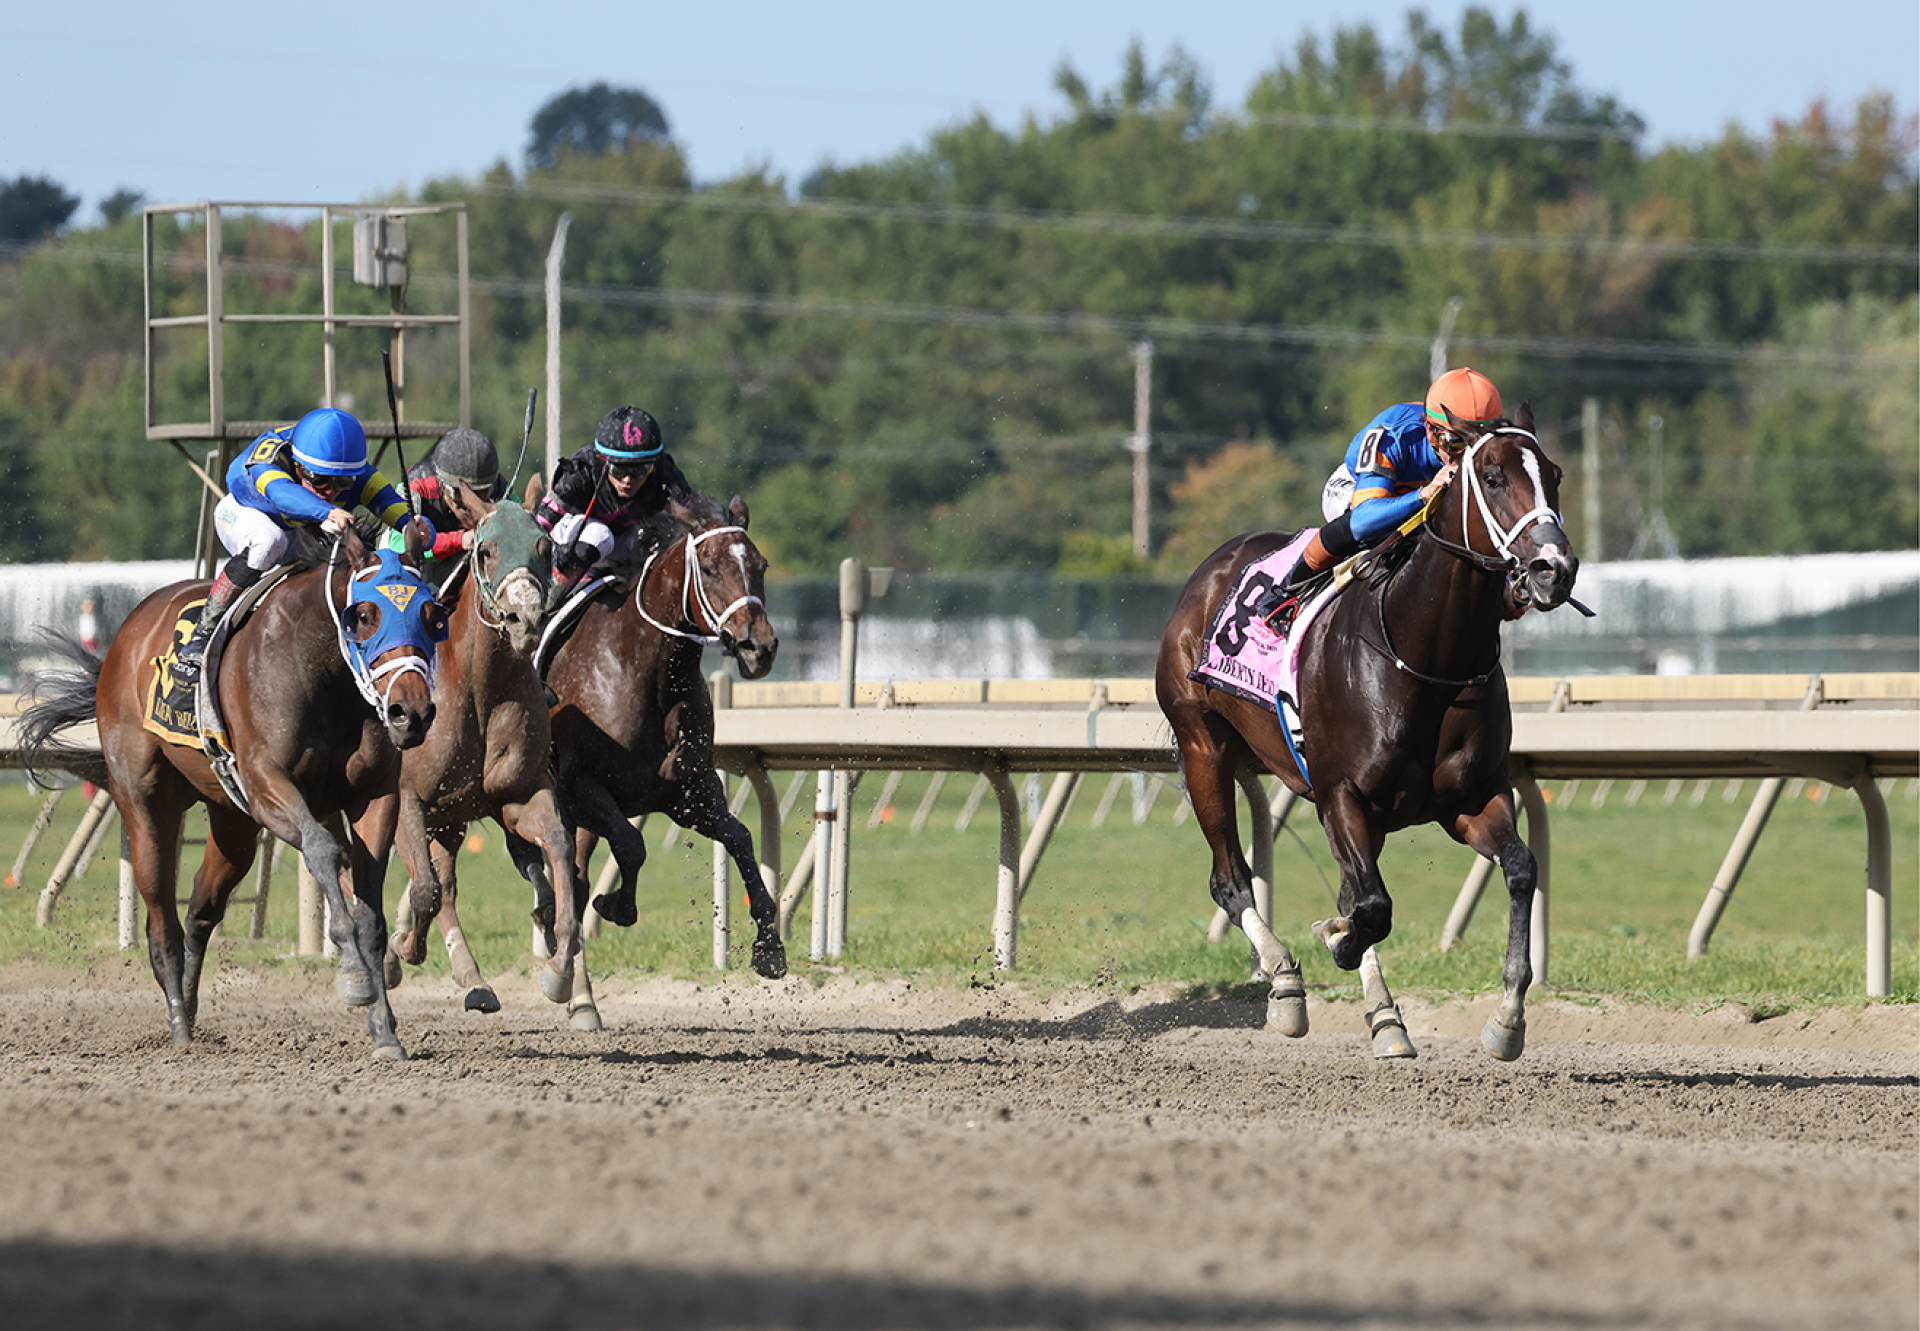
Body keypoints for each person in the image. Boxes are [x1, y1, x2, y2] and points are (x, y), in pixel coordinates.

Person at [176, 407, 431, 681]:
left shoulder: (356, 473)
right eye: (320, 480)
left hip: (302, 526)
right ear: (298, 467)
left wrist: (414, 527)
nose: (332, 490)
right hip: (246, 514)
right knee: (269, 542)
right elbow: (281, 493)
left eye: (343, 482)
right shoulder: (270, 460)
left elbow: (389, 503)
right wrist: (327, 512)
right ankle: (203, 632)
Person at [1256, 366, 1505, 634]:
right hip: (1358, 490)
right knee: (1377, 532)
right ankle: (1285, 592)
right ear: (1431, 431)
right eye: (1456, 444)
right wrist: (1424, 494)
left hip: (1418, 493)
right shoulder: (1393, 434)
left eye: (1478, 444)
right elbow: (1363, 520)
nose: (1466, 456)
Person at [534, 405, 693, 599]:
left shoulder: (665, 472)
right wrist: (553, 552)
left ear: (653, 467)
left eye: (639, 471)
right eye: (619, 470)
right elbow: (538, 526)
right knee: (600, 535)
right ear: (604, 462)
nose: (627, 480)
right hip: (574, 537)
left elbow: (694, 519)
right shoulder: (581, 472)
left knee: (665, 536)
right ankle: (551, 601)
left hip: (623, 542)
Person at [387, 426, 512, 579]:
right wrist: (460, 540)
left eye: (482, 495)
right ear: (443, 486)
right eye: (462, 495)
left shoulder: (502, 487)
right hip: (421, 569)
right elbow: (398, 546)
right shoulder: (416, 484)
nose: (472, 505)